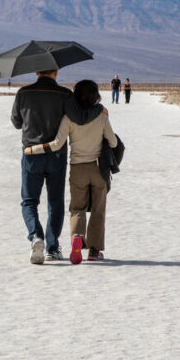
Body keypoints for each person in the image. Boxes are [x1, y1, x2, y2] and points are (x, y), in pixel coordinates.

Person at [10, 69, 102, 264]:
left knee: (29, 201)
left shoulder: (23, 93)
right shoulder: (64, 94)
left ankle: (36, 236)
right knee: (55, 202)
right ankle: (52, 248)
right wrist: (99, 110)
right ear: (56, 71)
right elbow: (80, 117)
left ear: (36, 71)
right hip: (56, 156)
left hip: (31, 154)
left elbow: (16, 123)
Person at [24, 80, 118, 263]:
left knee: (77, 208)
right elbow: (113, 143)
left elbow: (57, 144)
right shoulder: (102, 117)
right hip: (98, 168)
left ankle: (77, 236)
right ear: (96, 96)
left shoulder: (68, 119)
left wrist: (33, 149)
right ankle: (94, 251)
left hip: (77, 168)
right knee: (98, 210)